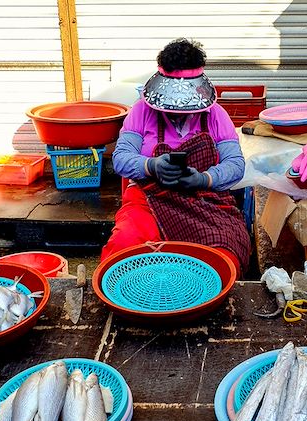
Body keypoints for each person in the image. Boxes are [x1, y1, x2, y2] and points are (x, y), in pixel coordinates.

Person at [100, 38, 251, 274]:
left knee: (224, 258)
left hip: (204, 200)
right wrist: (150, 165)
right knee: (123, 249)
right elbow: (121, 158)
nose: (177, 114)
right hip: (148, 197)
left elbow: (235, 164)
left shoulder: (216, 115)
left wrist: (205, 179)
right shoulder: (141, 110)